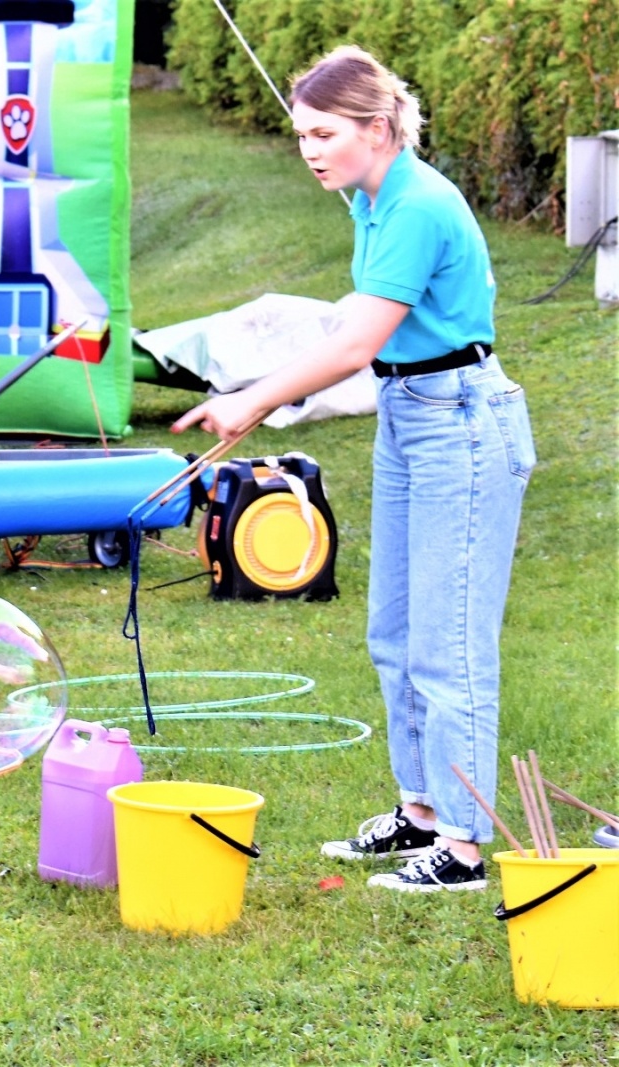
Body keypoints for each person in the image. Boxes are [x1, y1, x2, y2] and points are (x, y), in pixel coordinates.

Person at [172, 46, 535, 893]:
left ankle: (466, 848)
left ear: (379, 127)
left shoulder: (415, 205)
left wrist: (251, 400)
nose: (309, 149)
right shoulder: (374, 196)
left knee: (449, 645)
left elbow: (356, 343)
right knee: (395, 632)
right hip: (411, 416)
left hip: (462, 423)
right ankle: (421, 813)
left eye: (325, 132)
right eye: (300, 132)